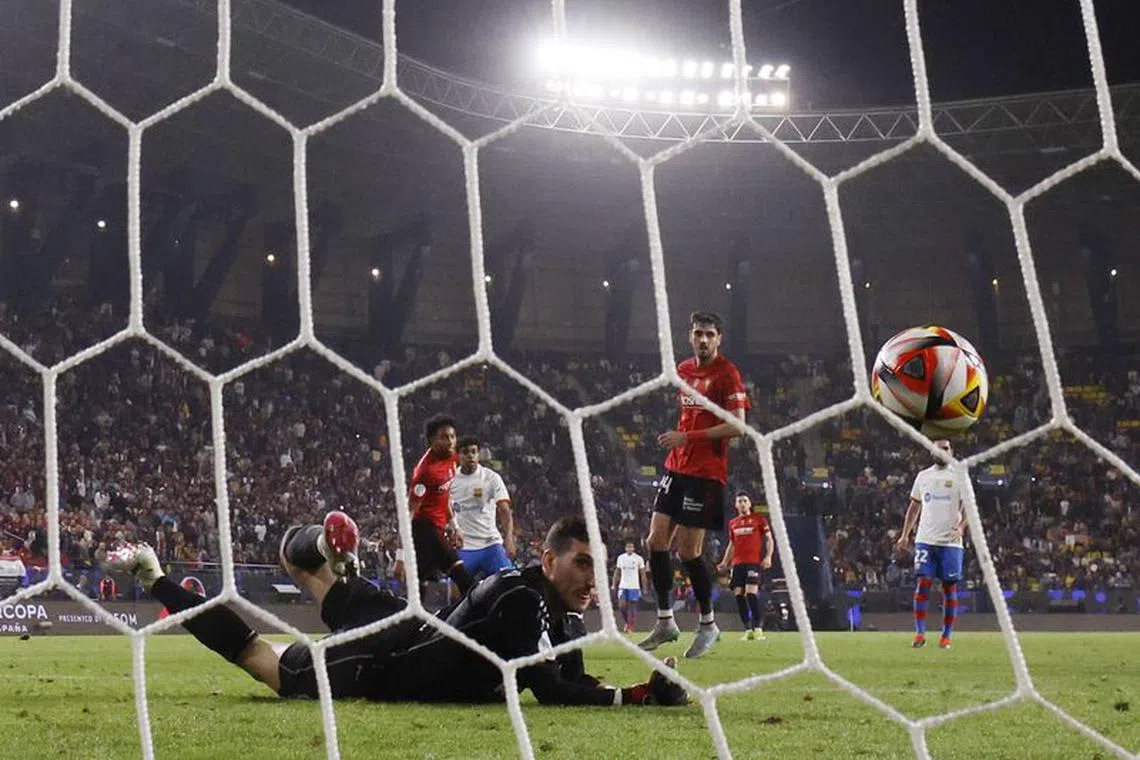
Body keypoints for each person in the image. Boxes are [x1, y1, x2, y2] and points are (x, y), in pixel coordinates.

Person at [105, 512, 688, 707]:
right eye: (583, 564)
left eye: (597, 565)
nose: (594, 579)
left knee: (301, 570)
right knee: (262, 658)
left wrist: (630, 689)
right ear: (548, 558)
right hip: (379, 661)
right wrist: (636, 696)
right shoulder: (522, 602)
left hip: (411, 627)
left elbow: (572, 676)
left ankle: (335, 560)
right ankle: (155, 576)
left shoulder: (555, 604)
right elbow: (554, 692)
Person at [639, 311, 751, 658]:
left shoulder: (727, 374)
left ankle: (708, 625)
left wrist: (687, 436)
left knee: (689, 552)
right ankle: (665, 620)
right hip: (677, 468)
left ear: (719, 338)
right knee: (655, 541)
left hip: (706, 475)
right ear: (690, 336)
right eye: (698, 334)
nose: (703, 340)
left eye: (710, 334)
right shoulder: (684, 369)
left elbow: (738, 425)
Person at [894, 439, 967, 649]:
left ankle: (946, 636)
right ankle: (919, 633)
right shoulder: (923, 476)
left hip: (951, 543)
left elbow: (969, 506)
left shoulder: (959, 475)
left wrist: (961, 527)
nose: (941, 451)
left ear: (952, 451)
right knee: (923, 583)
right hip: (925, 540)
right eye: (937, 448)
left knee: (949, 588)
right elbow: (914, 507)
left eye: (945, 448)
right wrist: (905, 534)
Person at [408, 414, 473, 596]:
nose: (451, 441)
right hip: (424, 529)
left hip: (439, 527)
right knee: (463, 577)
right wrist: (400, 554)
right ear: (431, 441)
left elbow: (445, 497)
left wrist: (455, 526)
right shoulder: (424, 472)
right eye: (444, 437)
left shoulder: (452, 457)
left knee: (422, 586)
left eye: (452, 436)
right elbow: (409, 512)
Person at [450, 436, 515, 580]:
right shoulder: (450, 480)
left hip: (490, 544)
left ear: (478, 454)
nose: (470, 456)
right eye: (465, 452)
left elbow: (504, 510)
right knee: (456, 593)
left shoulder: (491, 478)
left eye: (474, 452)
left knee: (509, 583)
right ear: (458, 455)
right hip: (464, 547)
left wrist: (509, 538)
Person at [716, 492, 773, 641]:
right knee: (739, 595)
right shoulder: (733, 523)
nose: (742, 503)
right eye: (739, 501)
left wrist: (768, 556)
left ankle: (758, 628)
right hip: (737, 564)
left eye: (745, 501)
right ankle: (748, 629)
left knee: (751, 594)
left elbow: (769, 539)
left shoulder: (759, 520)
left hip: (753, 562)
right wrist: (724, 562)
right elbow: (732, 544)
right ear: (736, 505)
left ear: (749, 504)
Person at [611, 541, 647, 634]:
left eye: (631, 547)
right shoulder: (621, 558)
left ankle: (630, 626)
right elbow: (617, 572)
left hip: (634, 586)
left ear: (634, 548)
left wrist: (645, 587)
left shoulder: (639, 559)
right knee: (621, 606)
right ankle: (627, 622)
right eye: (628, 547)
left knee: (632, 607)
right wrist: (614, 584)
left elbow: (642, 574)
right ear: (625, 548)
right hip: (623, 586)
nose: (629, 549)